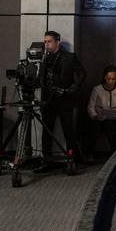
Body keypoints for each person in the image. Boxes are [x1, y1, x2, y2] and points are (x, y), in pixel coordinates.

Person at [38, 31, 86, 160]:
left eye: (49, 41)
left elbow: (82, 74)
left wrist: (71, 89)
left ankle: (72, 159)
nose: (46, 44)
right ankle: (46, 160)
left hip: (64, 99)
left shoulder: (69, 57)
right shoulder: (44, 58)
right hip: (48, 100)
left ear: (57, 42)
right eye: (45, 42)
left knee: (68, 131)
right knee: (46, 132)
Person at [85, 65, 116, 160]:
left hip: (113, 117)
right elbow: (90, 106)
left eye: (113, 79)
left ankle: (114, 154)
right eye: (109, 79)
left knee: (110, 126)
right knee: (94, 127)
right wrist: (95, 115)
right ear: (104, 78)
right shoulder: (97, 89)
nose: (111, 81)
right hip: (99, 117)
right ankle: (89, 153)